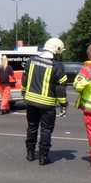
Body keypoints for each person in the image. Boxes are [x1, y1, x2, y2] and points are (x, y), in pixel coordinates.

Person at [21, 37, 68, 165]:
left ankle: (30, 153)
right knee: (46, 130)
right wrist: (63, 104)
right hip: (47, 104)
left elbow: (24, 79)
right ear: (56, 51)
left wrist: (24, 93)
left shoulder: (31, 61)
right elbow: (60, 88)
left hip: (30, 102)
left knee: (31, 127)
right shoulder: (56, 66)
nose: (60, 55)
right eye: (60, 52)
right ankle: (43, 157)